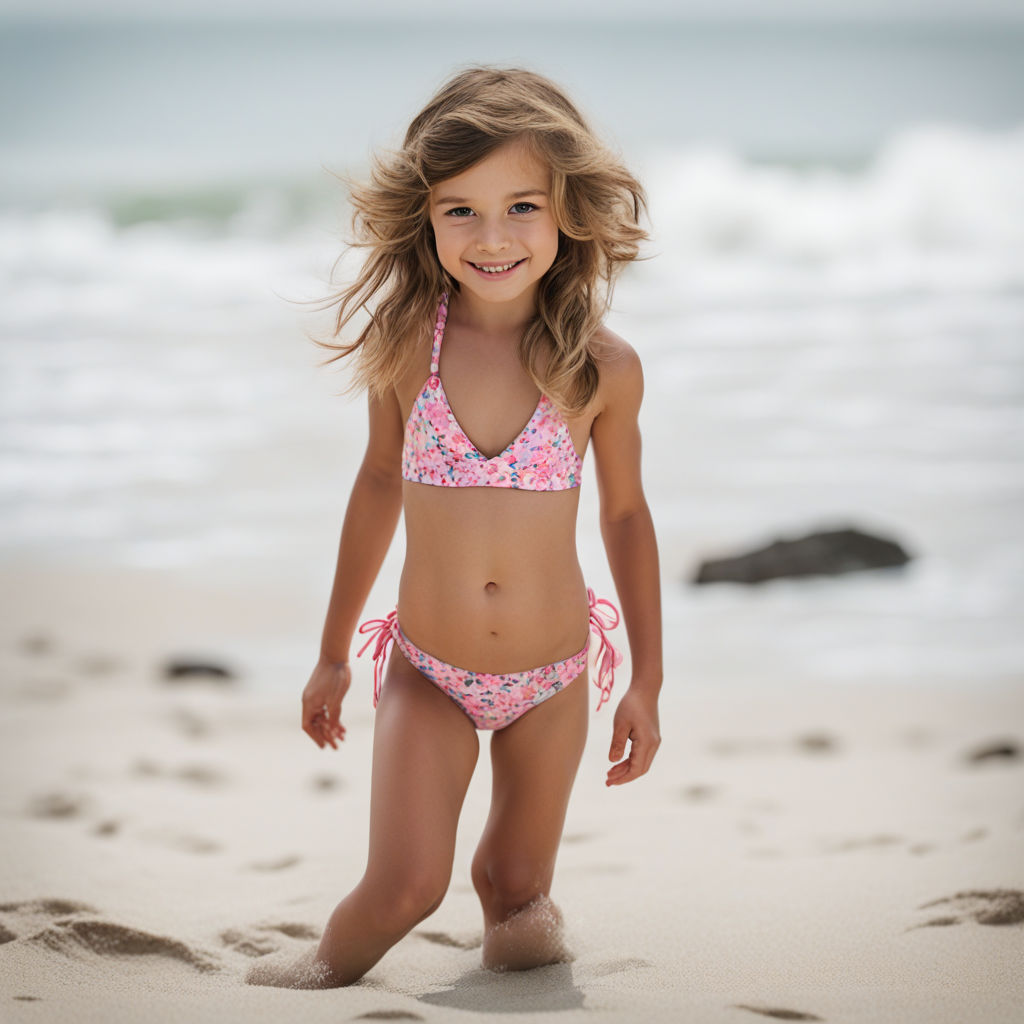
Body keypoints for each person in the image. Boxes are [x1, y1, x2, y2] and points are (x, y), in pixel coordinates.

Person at [249, 65, 662, 989]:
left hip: (552, 679)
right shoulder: (408, 345)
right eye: (460, 210)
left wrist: (648, 680)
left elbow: (627, 516)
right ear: (425, 217)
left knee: (517, 901)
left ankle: (520, 956)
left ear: (567, 211)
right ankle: (302, 982)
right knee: (406, 888)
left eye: (522, 207)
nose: (493, 236)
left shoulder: (603, 367)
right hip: (429, 671)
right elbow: (376, 483)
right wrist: (332, 653)